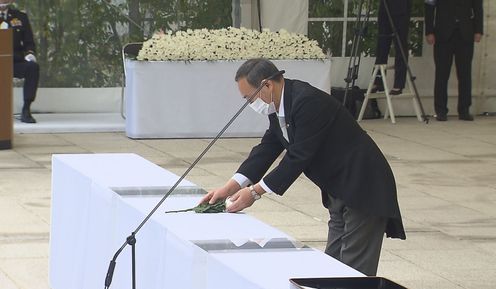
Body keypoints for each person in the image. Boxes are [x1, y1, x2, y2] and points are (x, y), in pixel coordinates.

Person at [201, 58, 406, 276]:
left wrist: (254, 192)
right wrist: (230, 187)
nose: (250, 104)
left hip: (364, 185)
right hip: (338, 189)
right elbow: (267, 148)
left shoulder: (307, 101)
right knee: (332, 266)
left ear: (267, 85)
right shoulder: (280, 106)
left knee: (354, 270)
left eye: (249, 98)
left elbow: (298, 157)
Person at [425, 0, 483, 121]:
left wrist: (478, 30)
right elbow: (429, 7)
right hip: (443, 34)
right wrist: (429, 31)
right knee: (441, 73)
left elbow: (478, 7)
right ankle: (441, 110)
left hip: (465, 33)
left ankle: (464, 109)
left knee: (465, 73)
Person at [0, 0, 39, 123]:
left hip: (14, 62)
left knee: (32, 67)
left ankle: (26, 109)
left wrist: (30, 54)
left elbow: (29, 42)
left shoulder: (21, 17)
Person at [372, 0, 412, 95]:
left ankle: (399, 83)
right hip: (385, 6)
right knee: (382, 43)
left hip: (401, 7)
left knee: (400, 44)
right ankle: (378, 80)